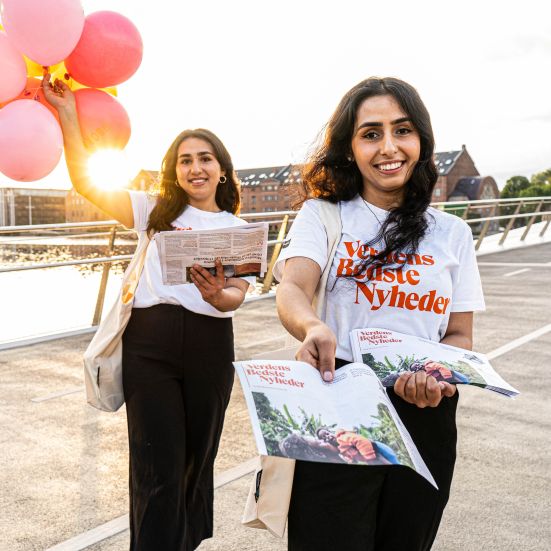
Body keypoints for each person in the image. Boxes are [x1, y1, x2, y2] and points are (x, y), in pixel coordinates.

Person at [274, 77, 485, 551]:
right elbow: (293, 287)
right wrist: (312, 326)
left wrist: (441, 374)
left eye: (402, 130)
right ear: (350, 149)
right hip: (339, 401)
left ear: (421, 141)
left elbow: (459, 334)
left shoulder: (452, 233)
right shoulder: (325, 215)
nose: (388, 147)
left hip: (426, 406)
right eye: (371, 133)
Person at [43, 76, 252, 551]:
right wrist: (68, 113)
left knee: (196, 464)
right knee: (157, 466)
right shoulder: (153, 210)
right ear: (174, 171)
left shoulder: (240, 229)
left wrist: (221, 296)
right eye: (185, 160)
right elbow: (84, 181)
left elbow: (237, 294)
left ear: (222, 169)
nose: (195, 168)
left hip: (210, 347)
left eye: (204, 159)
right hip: (150, 344)